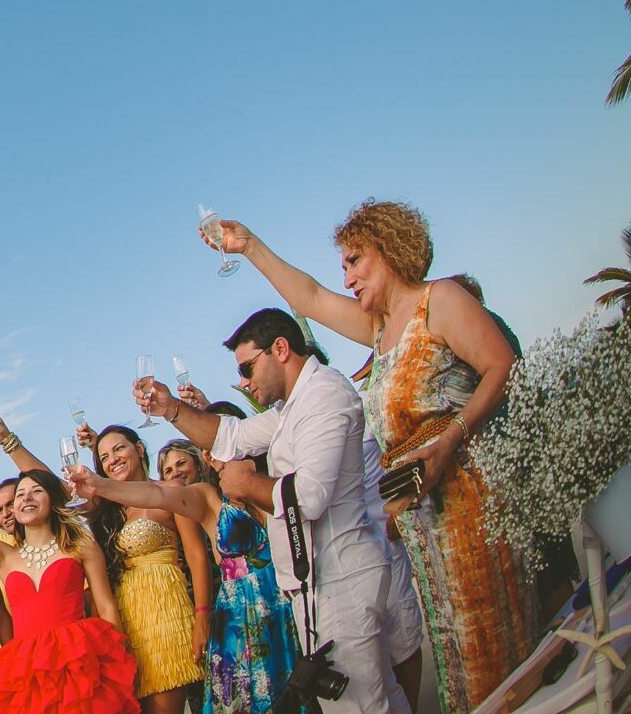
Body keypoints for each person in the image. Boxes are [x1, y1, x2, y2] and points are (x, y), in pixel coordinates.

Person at [215, 206, 536, 712]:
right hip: (423, 516)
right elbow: (311, 298)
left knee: (488, 641)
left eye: (354, 260)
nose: (346, 276)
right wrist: (249, 245)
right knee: (456, 653)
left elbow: (502, 365)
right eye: (342, 266)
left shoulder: (441, 300)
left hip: (467, 496)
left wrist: (449, 440)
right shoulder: (381, 330)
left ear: (388, 250)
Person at [139, 307, 413, 714]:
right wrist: (172, 410)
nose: (245, 382)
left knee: (361, 708)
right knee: (380, 700)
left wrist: (248, 485)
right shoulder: (291, 407)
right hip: (320, 582)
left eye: (248, 368)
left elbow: (312, 495)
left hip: (340, 577)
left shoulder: (324, 394)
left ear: (280, 349)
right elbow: (229, 434)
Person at [0, 412, 207, 713]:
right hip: (119, 617)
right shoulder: (103, 506)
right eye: (104, 457)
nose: (113, 459)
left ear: (140, 449)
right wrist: (8, 440)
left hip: (164, 612)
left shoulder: (169, 494)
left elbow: (196, 556)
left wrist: (203, 615)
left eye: (119, 449)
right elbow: (48, 485)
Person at [68, 449, 299, 714]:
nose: (175, 472)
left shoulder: (280, 481)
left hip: (288, 600)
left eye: (181, 463)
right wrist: (100, 484)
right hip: (239, 611)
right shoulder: (205, 496)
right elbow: (158, 494)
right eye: (167, 469)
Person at [0, 456, 138, 714]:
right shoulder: (5, 556)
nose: (27, 498)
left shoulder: (80, 546)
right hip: (27, 669)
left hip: (77, 662)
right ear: (13, 508)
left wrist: (116, 660)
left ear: (52, 501)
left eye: (36, 492)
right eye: (20, 495)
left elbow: (105, 607)